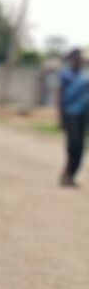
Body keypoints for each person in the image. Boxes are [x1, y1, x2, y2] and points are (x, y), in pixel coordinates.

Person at [58, 48, 89, 187]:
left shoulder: (85, 77)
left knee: (81, 147)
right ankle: (66, 175)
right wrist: (60, 117)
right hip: (70, 114)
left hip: (84, 114)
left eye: (79, 58)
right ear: (71, 60)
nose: (78, 61)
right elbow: (60, 96)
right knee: (73, 146)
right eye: (75, 58)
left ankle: (71, 176)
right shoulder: (66, 76)